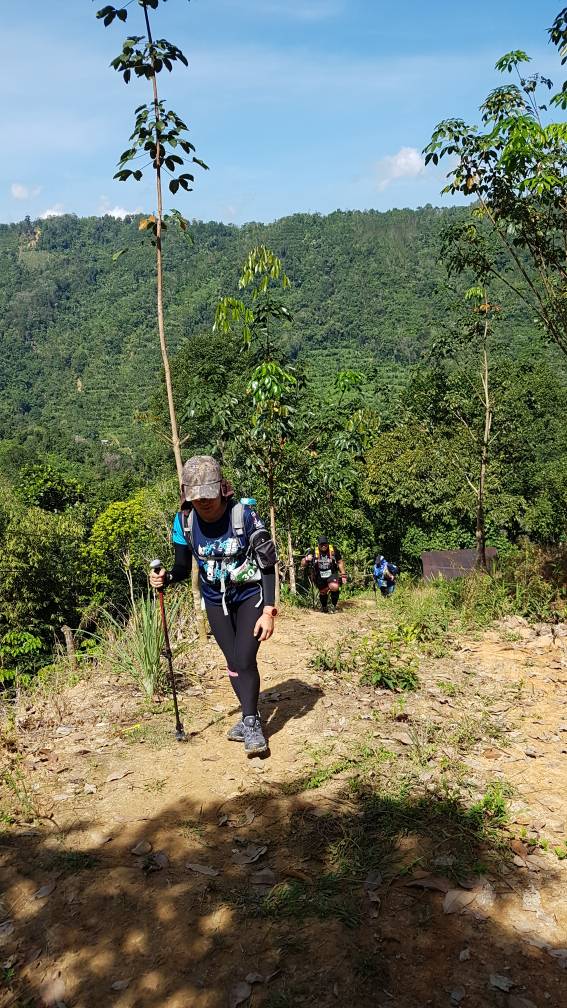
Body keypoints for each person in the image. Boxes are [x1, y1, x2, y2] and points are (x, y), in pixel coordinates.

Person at [149, 456, 277, 756]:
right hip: (214, 598)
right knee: (232, 661)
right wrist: (166, 578)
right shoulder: (184, 521)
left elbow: (267, 563)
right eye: (196, 497)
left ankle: (251, 722)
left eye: (208, 494)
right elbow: (182, 567)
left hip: (249, 593)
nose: (203, 502)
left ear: (222, 489)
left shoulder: (243, 515)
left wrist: (269, 610)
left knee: (244, 659)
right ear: (186, 495)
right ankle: (249, 715)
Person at [301, 537, 347, 612]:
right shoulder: (313, 551)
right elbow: (302, 564)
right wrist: (306, 559)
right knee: (323, 592)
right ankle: (324, 607)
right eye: (321, 544)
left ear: (328, 544)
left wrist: (343, 574)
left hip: (332, 573)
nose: (323, 546)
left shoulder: (333, 550)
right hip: (319, 576)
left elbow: (340, 562)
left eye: (325, 544)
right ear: (318, 545)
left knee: (334, 586)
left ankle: (334, 606)